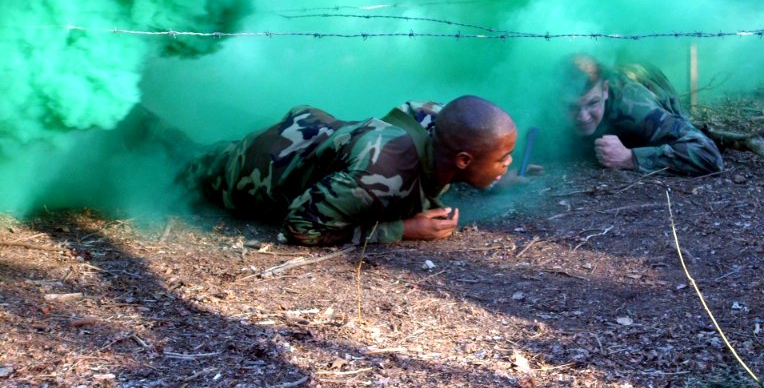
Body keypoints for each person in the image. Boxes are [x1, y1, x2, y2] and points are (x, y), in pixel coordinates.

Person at [183, 96, 517, 246]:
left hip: (298, 138)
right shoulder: (378, 178)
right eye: (504, 158)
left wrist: (496, 175)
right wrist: (402, 229)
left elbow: (470, 137)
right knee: (176, 159)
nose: (508, 162)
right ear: (462, 160)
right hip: (247, 172)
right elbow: (299, 227)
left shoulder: (436, 119)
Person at [560, 54, 722, 176]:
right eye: (572, 107)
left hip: (648, 80)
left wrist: (630, 158)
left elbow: (707, 154)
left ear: (605, 90)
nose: (583, 117)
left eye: (593, 103)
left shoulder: (637, 107)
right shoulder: (548, 102)